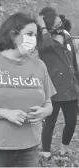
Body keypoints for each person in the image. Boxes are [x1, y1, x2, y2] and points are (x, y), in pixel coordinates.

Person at [0, 12, 56, 167]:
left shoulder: (39, 66)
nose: (33, 39)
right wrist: (5, 113)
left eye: (35, 35)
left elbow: (49, 104)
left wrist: (44, 111)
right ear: (13, 34)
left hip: (30, 147)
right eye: (29, 34)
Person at [37, 7, 79, 158]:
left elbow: (73, 63)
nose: (60, 24)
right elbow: (46, 45)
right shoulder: (43, 40)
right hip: (53, 88)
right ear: (48, 26)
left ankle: (64, 148)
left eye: (60, 21)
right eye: (56, 22)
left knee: (72, 120)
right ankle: (46, 151)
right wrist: (42, 27)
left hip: (70, 87)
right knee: (50, 122)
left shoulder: (67, 37)